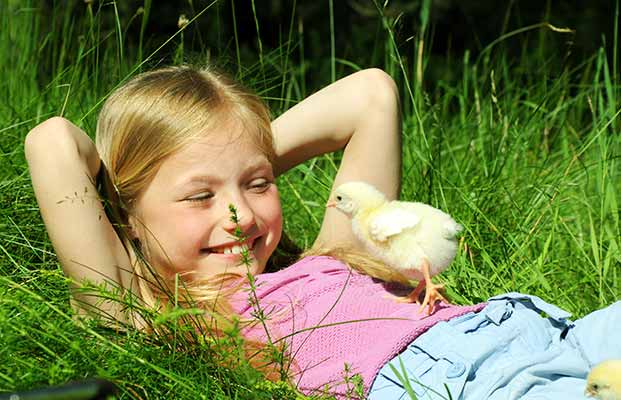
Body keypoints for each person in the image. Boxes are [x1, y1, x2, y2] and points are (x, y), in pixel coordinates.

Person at [25, 65, 620, 400]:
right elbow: (51, 141)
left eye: (259, 186)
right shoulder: (153, 313)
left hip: (542, 332)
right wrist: (120, 208)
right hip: (466, 387)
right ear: (128, 212)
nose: (241, 216)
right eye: (200, 196)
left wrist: (240, 158)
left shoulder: (338, 254)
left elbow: (371, 94)